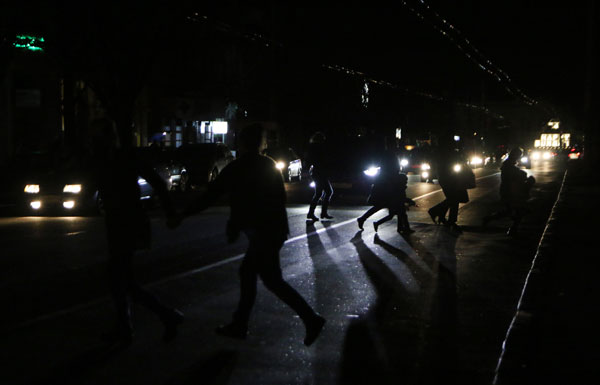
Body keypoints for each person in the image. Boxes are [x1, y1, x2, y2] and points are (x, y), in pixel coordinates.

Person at [170, 123, 326, 346]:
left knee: (265, 278)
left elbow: (211, 196)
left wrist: (183, 214)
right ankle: (245, 323)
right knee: (259, 276)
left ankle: (307, 319)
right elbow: (278, 199)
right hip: (273, 230)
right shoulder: (268, 165)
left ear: (242, 142)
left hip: (263, 232)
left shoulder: (238, 167)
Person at [89, 117, 183, 346]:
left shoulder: (122, 158)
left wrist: (170, 212)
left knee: (120, 277)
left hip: (127, 222)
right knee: (120, 278)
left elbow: (158, 184)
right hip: (120, 222)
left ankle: (161, 316)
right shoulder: (107, 159)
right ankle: (133, 324)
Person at [483, 147, 536, 236]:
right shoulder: (508, 165)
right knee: (517, 210)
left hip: (511, 191)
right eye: (519, 155)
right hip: (510, 191)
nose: (519, 157)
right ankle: (512, 229)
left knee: (511, 211)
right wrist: (522, 176)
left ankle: (490, 219)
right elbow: (511, 177)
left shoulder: (510, 164)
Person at [427, 142, 471, 233]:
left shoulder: (448, 152)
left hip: (451, 177)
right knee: (454, 199)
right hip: (449, 178)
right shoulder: (446, 153)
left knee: (454, 199)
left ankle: (442, 215)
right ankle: (438, 213)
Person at [305, 131, 334, 221]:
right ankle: (320, 213)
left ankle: (315, 213)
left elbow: (309, 160)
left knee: (320, 193)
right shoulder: (318, 147)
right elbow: (321, 160)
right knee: (326, 192)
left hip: (317, 172)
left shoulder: (313, 147)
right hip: (320, 172)